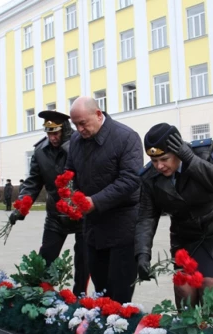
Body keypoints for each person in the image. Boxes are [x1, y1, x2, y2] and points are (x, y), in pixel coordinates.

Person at [135, 123, 213, 307]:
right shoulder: (149, 176)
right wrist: (142, 253)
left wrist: (189, 159)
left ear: (178, 151)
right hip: (187, 235)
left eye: (164, 159)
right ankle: (189, 333)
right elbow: (147, 216)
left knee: (209, 284)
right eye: (154, 160)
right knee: (184, 287)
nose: (159, 166)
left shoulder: (203, 152)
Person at [67, 96, 143, 304]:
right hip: (93, 228)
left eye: (83, 123)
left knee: (119, 294)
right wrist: (67, 195)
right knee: (100, 290)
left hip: (123, 227)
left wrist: (95, 202)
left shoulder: (126, 137)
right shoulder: (75, 140)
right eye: (75, 124)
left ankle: (121, 331)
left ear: (98, 114)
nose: (80, 129)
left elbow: (131, 179)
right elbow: (69, 172)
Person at [10, 110, 89, 295]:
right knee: (45, 259)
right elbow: (32, 183)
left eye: (56, 133)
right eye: (49, 133)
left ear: (65, 130)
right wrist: (22, 206)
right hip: (55, 215)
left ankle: (80, 299)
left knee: (84, 263)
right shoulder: (40, 151)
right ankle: (44, 296)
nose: (52, 138)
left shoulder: (81, 146)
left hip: (82, 215)